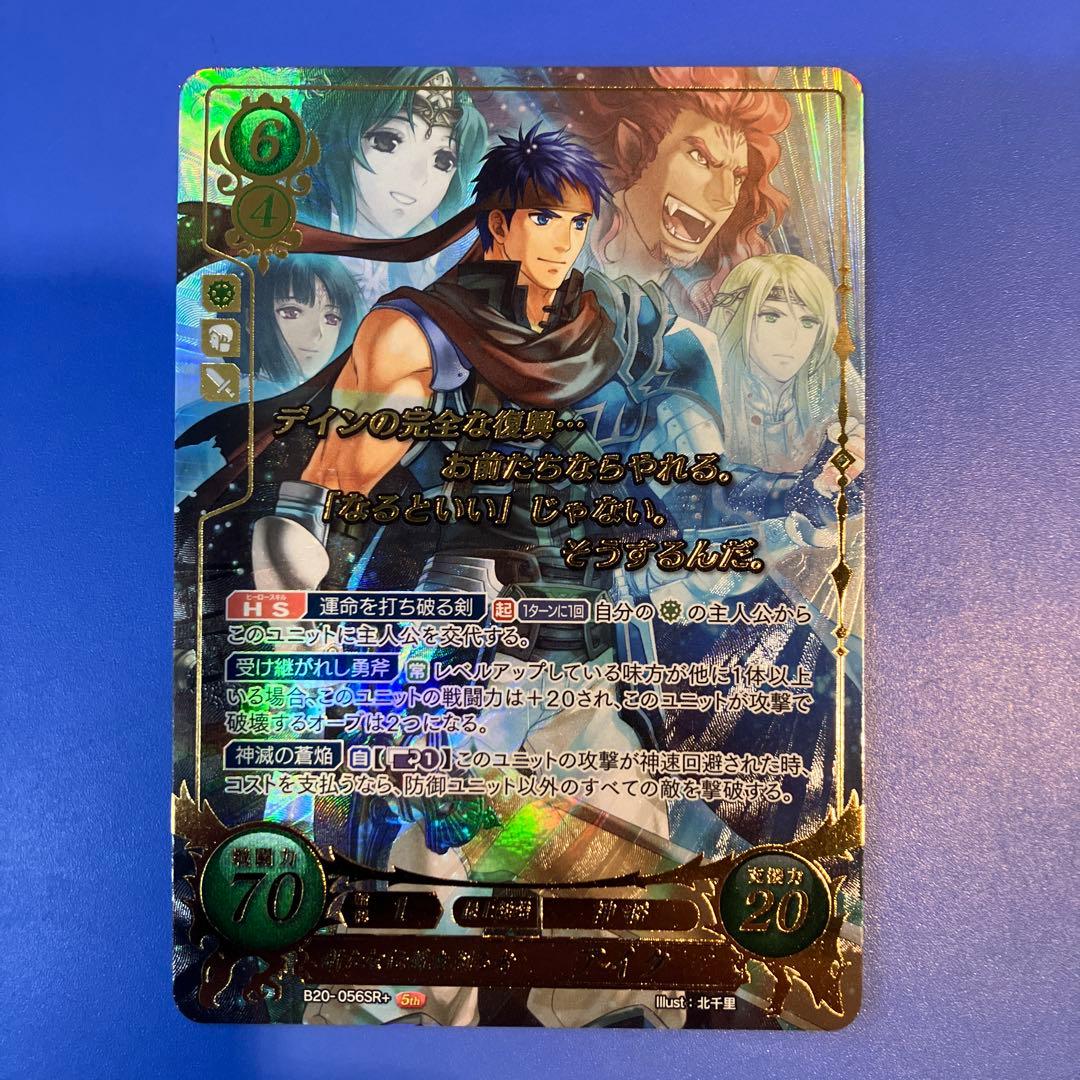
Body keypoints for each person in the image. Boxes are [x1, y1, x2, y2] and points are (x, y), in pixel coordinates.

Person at [554, 67, 790, 321]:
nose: (726, 198)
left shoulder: (706, 311)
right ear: (633, 148)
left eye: (737, 177)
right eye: (700, 158)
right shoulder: (555, 254)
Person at [300, 67, 488, 306]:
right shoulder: (300, 245)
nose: (418, 178)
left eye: (443, 161)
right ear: (340, 140)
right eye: (386, 142)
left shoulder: (430, 263)